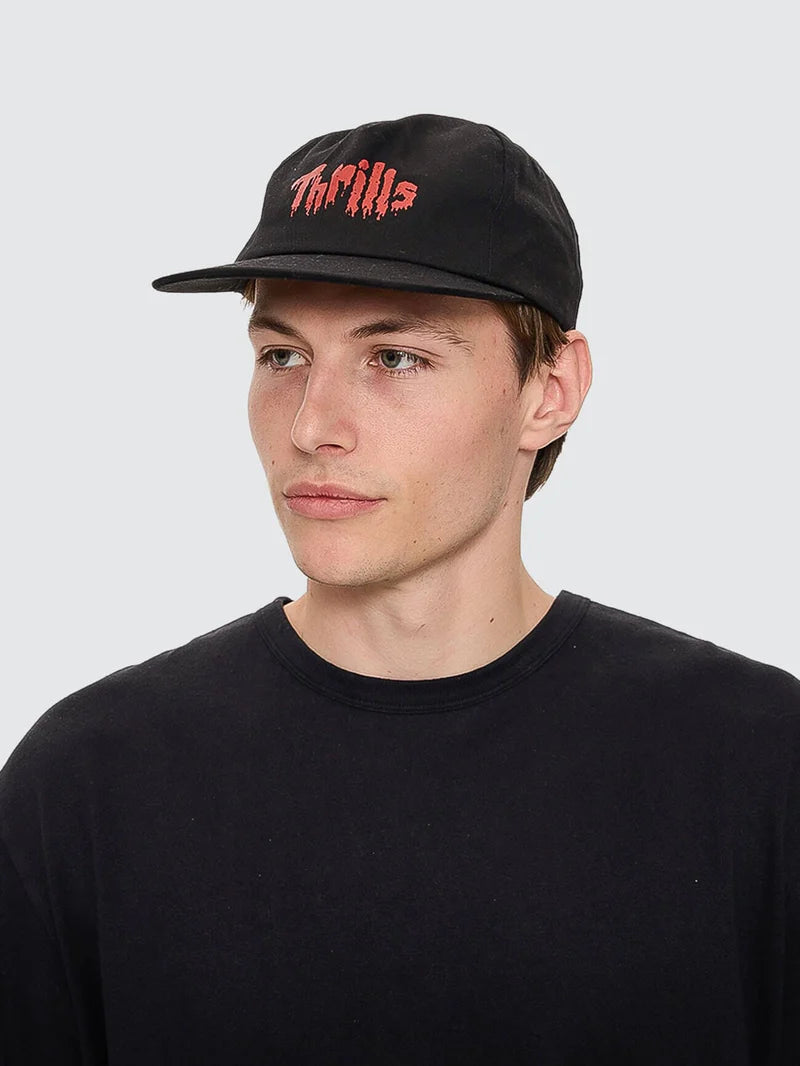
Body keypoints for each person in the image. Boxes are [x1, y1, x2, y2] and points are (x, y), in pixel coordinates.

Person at [1, 113, 798, 1065]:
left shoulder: (757, 765)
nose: (312, 425)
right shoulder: (88, 783)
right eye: (282, 355)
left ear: (549, 391)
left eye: (395, 358)